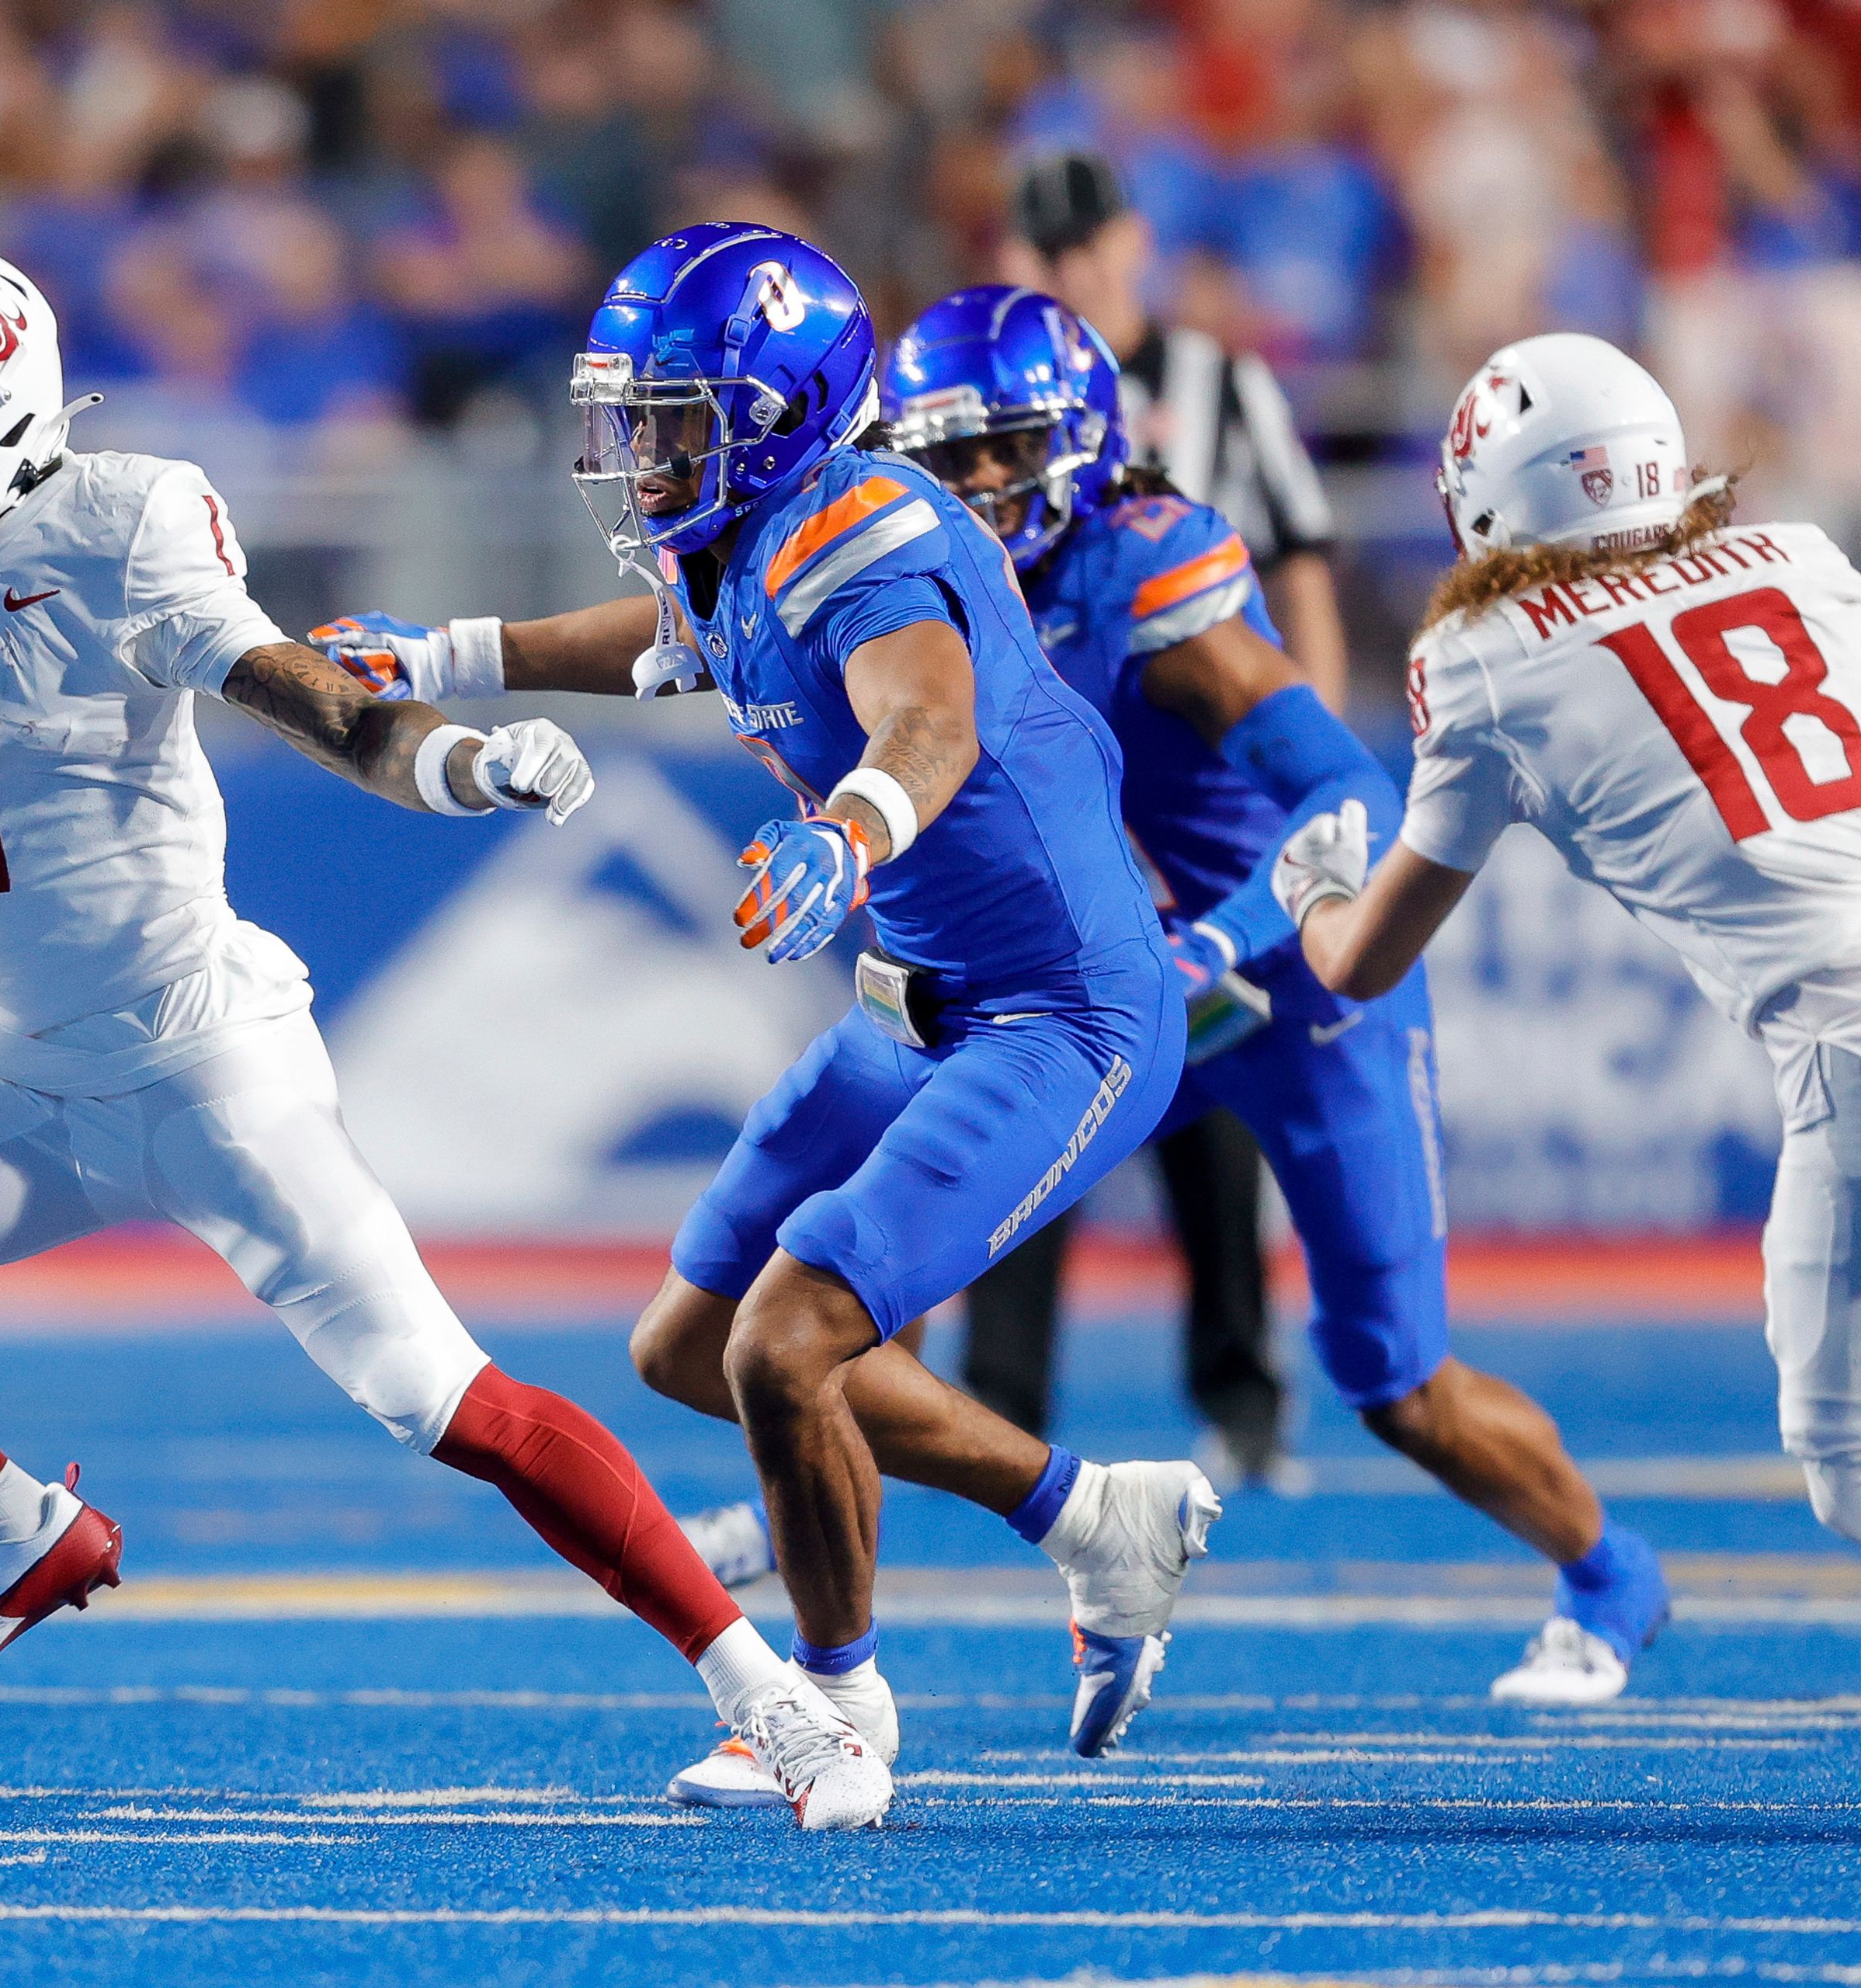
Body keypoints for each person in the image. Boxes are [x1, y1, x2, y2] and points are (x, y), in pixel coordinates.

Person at [0, 243, 890, 1833]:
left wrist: (459, 766)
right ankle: (10, 1527)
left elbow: (312, 698)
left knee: (448, 1401)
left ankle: (784, 1707)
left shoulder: (115, 520)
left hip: (216, 1060)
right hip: (33, 1074)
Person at [314, 224, 1219, 1798]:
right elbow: (678, 639)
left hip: (1063, 1009)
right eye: (635, 417)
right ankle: (1092, 1515)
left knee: (785, 1345)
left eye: (677, 419)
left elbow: (926, 713)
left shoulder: (870, 532)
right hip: (915, 1003)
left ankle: (838, 1700)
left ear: (785, 410)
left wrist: (846, 827)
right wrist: (450, 652)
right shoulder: (741, 531)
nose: (643, 455)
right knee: (686, 1341)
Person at [683, 287, 1668, 1708]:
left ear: (1080, 446)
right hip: (1083, 996)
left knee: (1396, 1383)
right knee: (853, 1301)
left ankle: (1608, 1571)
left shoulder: (1145, 574)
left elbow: (1349, 796)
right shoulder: (894, 562)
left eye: (1001, 454)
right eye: (943, 454)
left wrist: (1221, 941)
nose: (967, 485)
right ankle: (823, 1530)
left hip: (1286, 993)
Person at [1283, 332, 1861, 1605]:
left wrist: (1313, 890)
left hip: (1847, 1045)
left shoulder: (1485, 659)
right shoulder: (1807, 559)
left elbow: (1364, 960)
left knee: (1844, 1458)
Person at [968, 146, 1359, 1479]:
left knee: (1210, 1087)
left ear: (1132, 244)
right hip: (1050, 782)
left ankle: (1243, 1398)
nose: (1071, 269)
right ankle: (999, 1406)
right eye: (1046, 248)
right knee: (1025, 1075)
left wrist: (1293, 737)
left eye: (1088, 245)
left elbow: (1299, 565)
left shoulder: (1221, 388)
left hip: (1193, 766)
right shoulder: (982, 385)